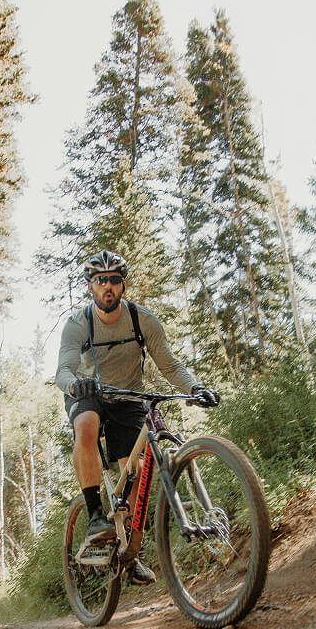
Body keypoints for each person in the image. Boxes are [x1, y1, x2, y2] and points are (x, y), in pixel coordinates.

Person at [55, 250, 218, 585]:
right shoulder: (78, 324)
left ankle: (131, 554)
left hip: (130, 397)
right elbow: (63, 369)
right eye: (101, 281)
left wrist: (196, 387)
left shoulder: (142, 320)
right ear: (91, 288)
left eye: (114, 279)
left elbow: (170, 365)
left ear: (123, 285)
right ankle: (96, 515)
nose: (108, 286)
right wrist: (75, 384)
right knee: (86, 425)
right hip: (89, 395)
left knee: (139, 471)